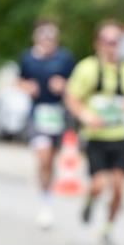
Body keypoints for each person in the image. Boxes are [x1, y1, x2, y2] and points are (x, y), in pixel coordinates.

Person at [65, 20, 124, 245]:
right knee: (99, 184)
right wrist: (86, 116)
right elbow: (71, 98)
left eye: (115, 42)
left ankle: (108, 228)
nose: (111, 46)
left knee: (119, 189)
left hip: (120, 137)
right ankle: (90, 201)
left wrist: (123, 107)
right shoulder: (87, 68)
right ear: (97, 43)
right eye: (106, 41)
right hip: (96, 137)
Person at [18, 20, 76, 229]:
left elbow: (76, 85)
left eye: (51, 37)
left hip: (57, 114)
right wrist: (27, 86)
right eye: (43, 37)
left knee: (51, 160)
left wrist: (64, 86)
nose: (47, 41)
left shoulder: (64, 58)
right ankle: (44, 201)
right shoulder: (28, 59)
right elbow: (19, 80)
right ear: (37, 38)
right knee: (42, 156)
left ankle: (47, 196)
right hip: (37, 113)